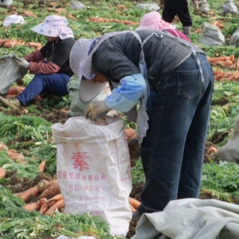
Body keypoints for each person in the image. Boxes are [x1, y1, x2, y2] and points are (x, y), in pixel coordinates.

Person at [69, 29, 213, 220]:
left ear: (89, 68)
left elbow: (136, 84)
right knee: (191, 146)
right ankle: (188, 209)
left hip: (176, 72)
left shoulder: (101, 53)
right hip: (201, 65)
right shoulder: (116, 43)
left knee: (161, 147)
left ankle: (154, 213)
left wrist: (106, 103)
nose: (97, 81)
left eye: (92, 78)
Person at [0, 16, 76, 110]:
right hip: (59, 75)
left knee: (42, 77)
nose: (46, 35)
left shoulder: (66, 44)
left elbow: (52, 68)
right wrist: (23, 60)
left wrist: (29, 65)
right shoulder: (54, 41)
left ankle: (18, 103)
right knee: (43, 64)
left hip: (69, 80)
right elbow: (38, 54)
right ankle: (34, 99)